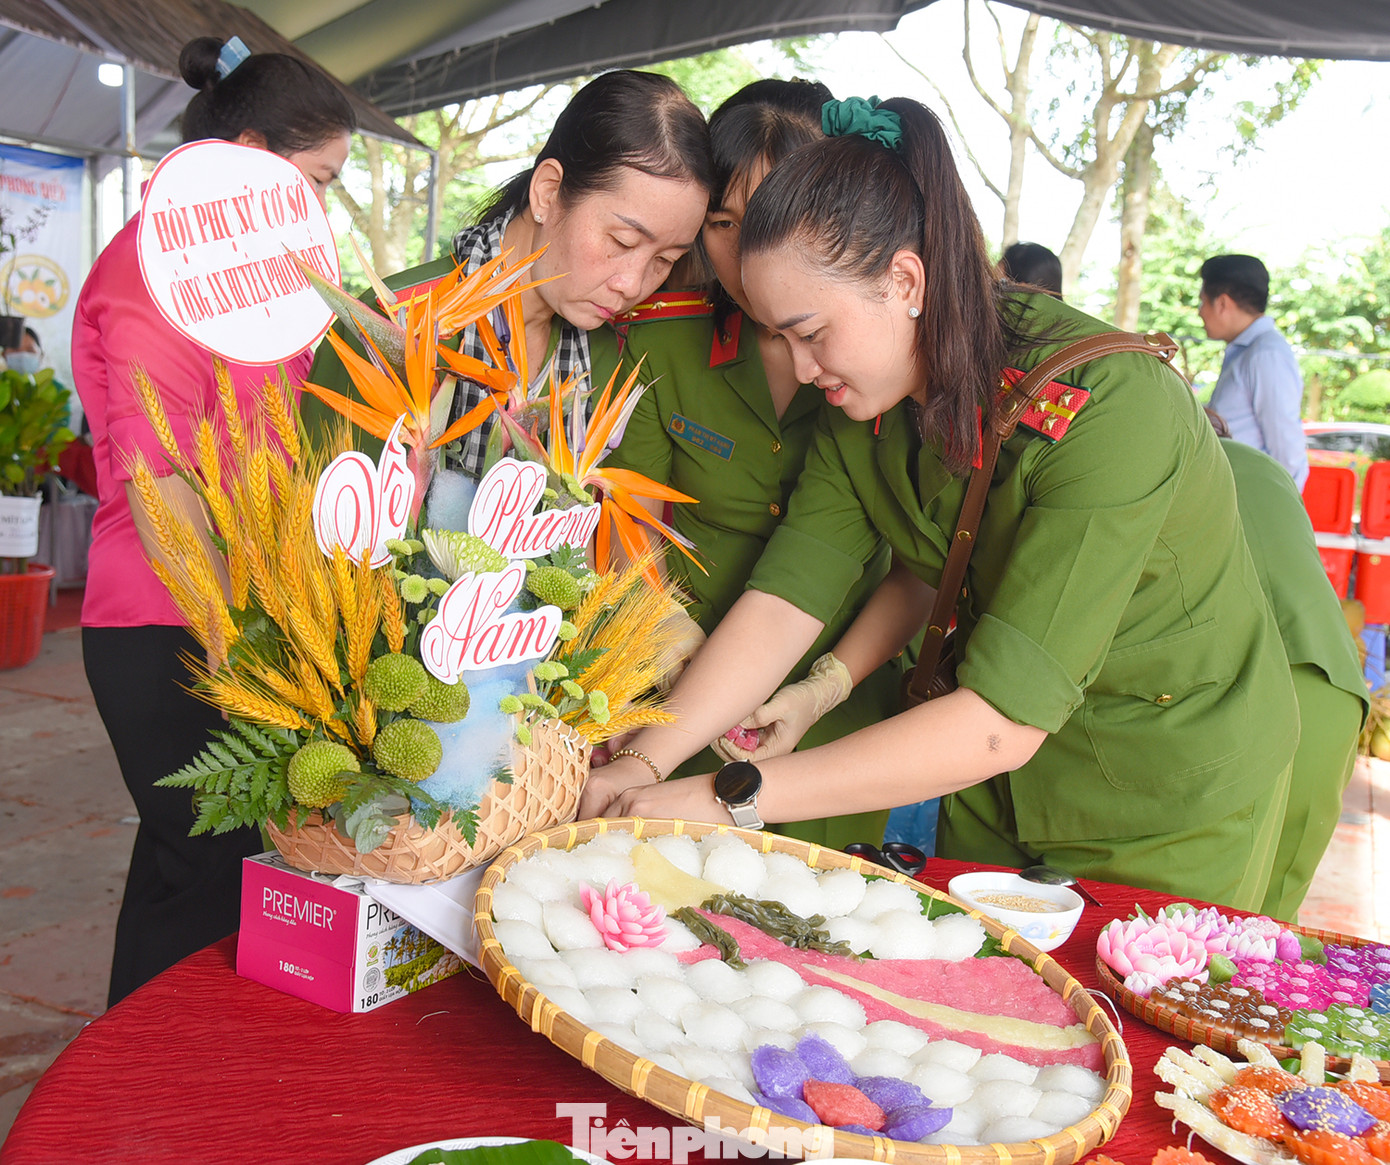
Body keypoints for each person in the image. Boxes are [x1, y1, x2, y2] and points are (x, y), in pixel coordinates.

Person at [578, 96, 1301, 912]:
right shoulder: (871, 400)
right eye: (781, 337)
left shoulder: (1108, 410)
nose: (803, 366)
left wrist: (725, 795)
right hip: (994, 789)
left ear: (906, 279)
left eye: (812, 332)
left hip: (1164, 796)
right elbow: (788, 595)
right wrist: (647, 760)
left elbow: (1000, 721)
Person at [73, 35, 355, 1005]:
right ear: (247, 156)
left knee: (193, 873)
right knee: (210, 880)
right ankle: (151, 1101)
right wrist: (253, 649)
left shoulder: (263, 288)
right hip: (169, 624)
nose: (321, 208)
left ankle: (137, 1089)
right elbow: (165, 494)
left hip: (246, 612)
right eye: (316, 180)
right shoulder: (150, 275)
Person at [590, 79, 929, 851]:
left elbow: (918, 560)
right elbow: (624, 514)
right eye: (724, 223)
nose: (749, 251)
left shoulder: (884, 370)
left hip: (836, 698)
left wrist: (826, 684)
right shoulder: (657, 340)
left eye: (776, 213)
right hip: (675, 689)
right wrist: (665, 638)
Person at [305, 70, 713, 478]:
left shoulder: (605, 355)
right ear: (549, 191)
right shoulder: (394, 326)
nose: (633, 284)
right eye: (622, 242)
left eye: (666, 260)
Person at [1205, 408, 1366, 920]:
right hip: (1334, 688)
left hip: (1247, 692)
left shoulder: (1167, 468)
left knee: (1204, 921)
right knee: (1272, 918)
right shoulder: (1266, 469)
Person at [1198, 254, 1309, 489]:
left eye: (1202, 301)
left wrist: (1274, 513)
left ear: (1222, 303)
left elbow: (1287, 452)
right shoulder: (1246, 352)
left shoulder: (1266, 355)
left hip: (1252, 501)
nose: (1200, 312)